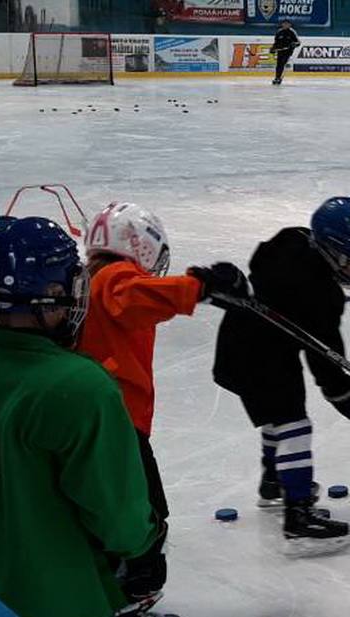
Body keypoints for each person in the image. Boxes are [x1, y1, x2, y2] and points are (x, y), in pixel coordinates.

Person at [0, 216, 160, 617]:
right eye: (68, 283)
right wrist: (147, 542)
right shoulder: (81, 386)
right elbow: (121, 523)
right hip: (70, 598)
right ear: (47, 293)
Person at [73, 202, 242, 613]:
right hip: (119, 421)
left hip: (102, 417)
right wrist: (199, 287)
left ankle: (112, 589)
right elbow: (133, 296)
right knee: (145, 515)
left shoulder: (87, 280)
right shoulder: (113, 278)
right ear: (139, 245)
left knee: (115, 511)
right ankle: (131, 595)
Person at [211, 197, 350, 557]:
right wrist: (345, 395)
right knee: (293, 426)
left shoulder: (294, 242)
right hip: (258, 356)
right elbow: (325, 356)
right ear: (332, 251)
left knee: (279, 416)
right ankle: (298, 516)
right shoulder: (318, 290)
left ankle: (274, 483)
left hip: (243, 345)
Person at [270, 20, 300, 85]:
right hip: (280, 51)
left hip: (288, 51)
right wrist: (273, 48)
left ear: (289, 25)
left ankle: (280, 78)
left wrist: (294, 44)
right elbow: (276, 42)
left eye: (287, 24)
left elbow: (298, 42)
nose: (285, 25)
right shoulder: (279, 32)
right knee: (278, 65)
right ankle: (277, 77)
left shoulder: (292, 32)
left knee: (283, 63)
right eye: (284, 24)